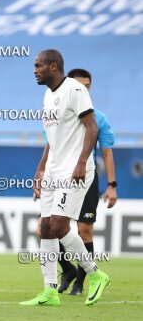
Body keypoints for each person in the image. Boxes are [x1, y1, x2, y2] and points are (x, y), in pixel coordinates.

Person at [21, 49, 110, 307]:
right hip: (53, 170)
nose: (35, 70)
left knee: (60, 227)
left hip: (74, 169)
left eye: (38, 66)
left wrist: (82, 162)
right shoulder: (48, 95)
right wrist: (40, 170)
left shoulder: (75, 90)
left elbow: (92, 127)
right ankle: (49, 291)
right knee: (45, 228)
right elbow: (52, 139)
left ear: (53, 67)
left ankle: (96, 274)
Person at [55, 69, 117, 295]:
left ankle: (81, 283)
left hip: (86, 179)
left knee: (85, 231)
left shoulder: (99, 118)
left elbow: (107, 153)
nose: (84, 90)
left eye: (87, 86)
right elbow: (51, 147)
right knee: (49, 229)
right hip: (60, 177)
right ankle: (67, 270)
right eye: (79, 86)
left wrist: (112, 185)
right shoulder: (58, 115)